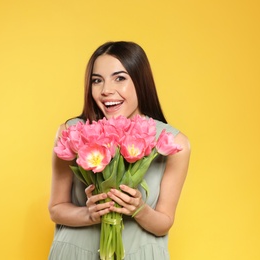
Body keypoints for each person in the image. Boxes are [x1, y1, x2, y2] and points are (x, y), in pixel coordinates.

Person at [48, 41, 190, 260]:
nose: (106, 91)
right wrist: (90, 214)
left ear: (140, 82)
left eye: (120, 78)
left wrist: (138, 208)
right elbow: (56, 208)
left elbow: (164, 223)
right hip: (76, 253)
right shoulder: (72, 133)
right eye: (97, 81)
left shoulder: (172, 143)